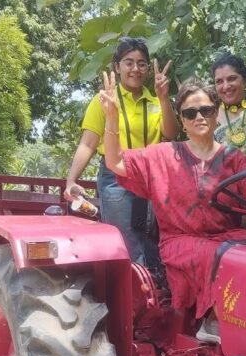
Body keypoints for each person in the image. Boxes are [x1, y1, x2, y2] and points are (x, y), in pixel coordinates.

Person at [98, 75, 246, 341]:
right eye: (190, 112)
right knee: (219, 254)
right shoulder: (162, 154)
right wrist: (112, 117)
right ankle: (213, 320)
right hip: (181, 240)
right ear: (182, 120)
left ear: (216, 112)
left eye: (206, 110)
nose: (199, 117)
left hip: (227, 238)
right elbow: (116, 163)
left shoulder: (233, 157)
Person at [63, 37, 178, 271]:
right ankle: (132, 299)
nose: (135, 68)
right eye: (129, 62)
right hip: (116, 176)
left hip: (151, 177)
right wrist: (71, 180)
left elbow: (171, 134)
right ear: (117, 67)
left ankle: (156, 295)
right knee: (125, 243)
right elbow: (88, 143)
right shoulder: (104, 100)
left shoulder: (156, 101)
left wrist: (164, 98)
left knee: (154, 241)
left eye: (141, 63)